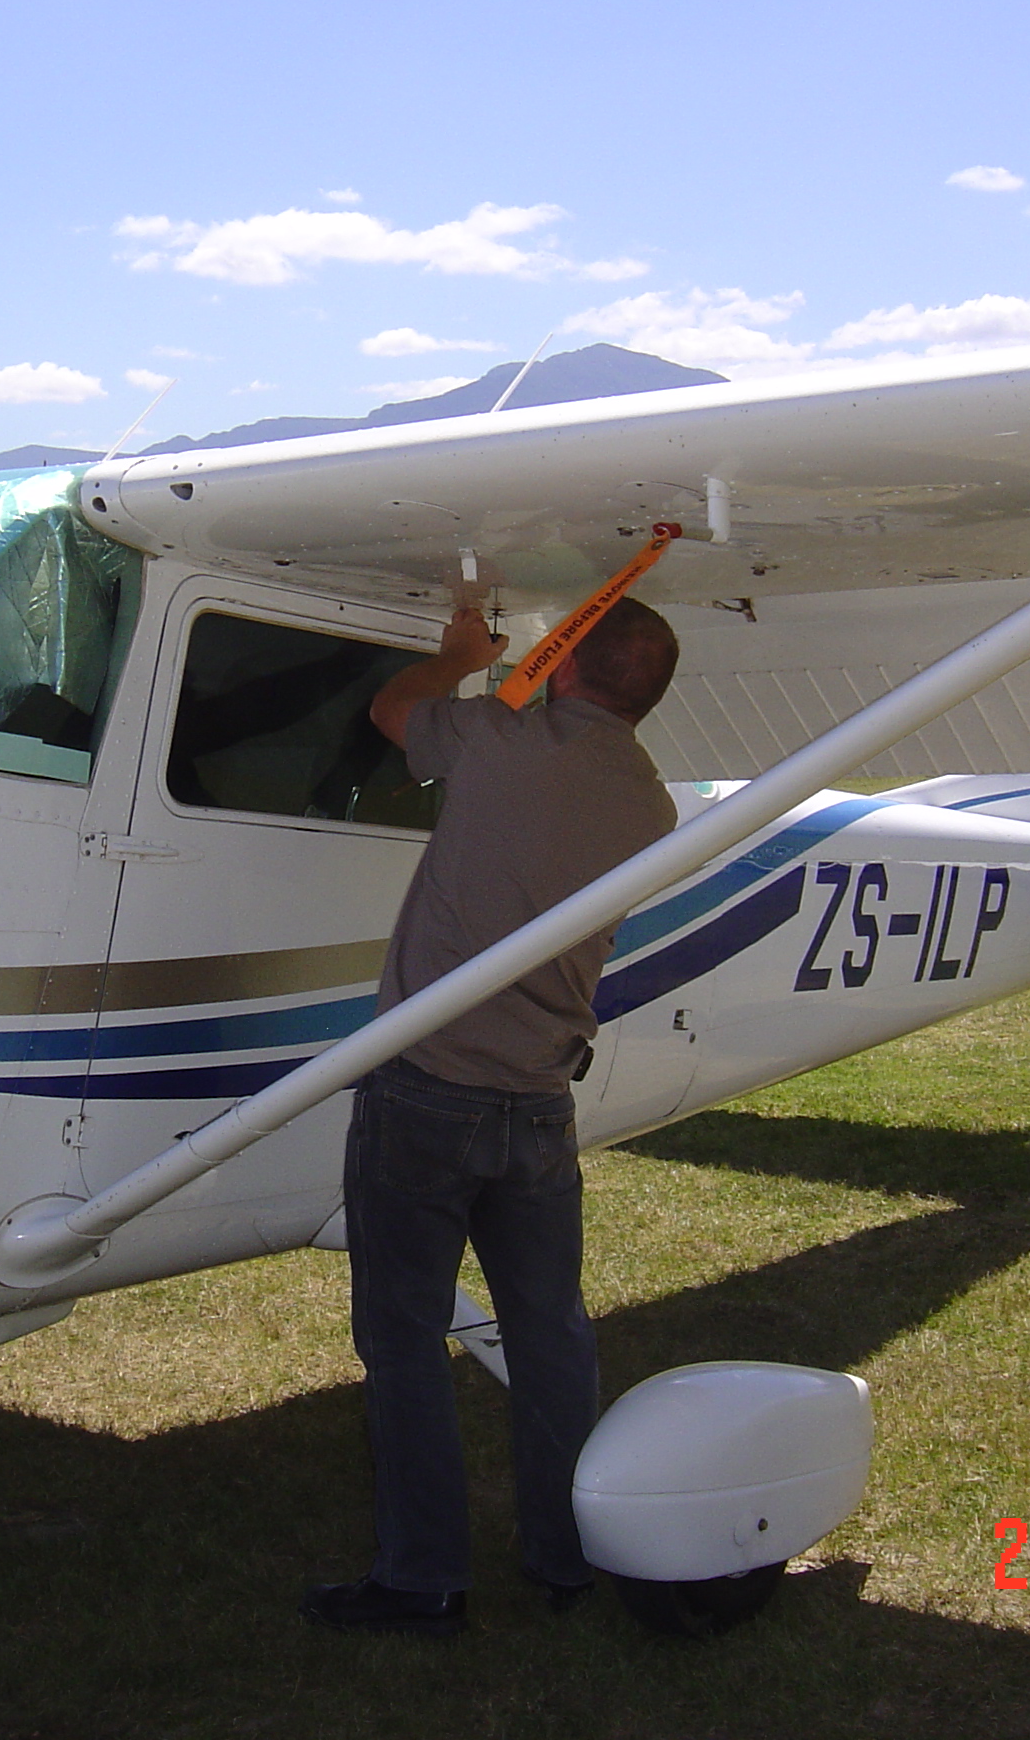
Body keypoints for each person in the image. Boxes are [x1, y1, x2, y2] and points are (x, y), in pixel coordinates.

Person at [302, 596, 681, 1636]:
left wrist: (458, 658)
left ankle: (421, 1577)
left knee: (403, 1335)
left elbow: (393, 712)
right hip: (539, 1104)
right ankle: (564, 1556)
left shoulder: (495, 738)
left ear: (565, 664)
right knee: (550, 1333)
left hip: (429, 1088)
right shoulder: (650, 802)